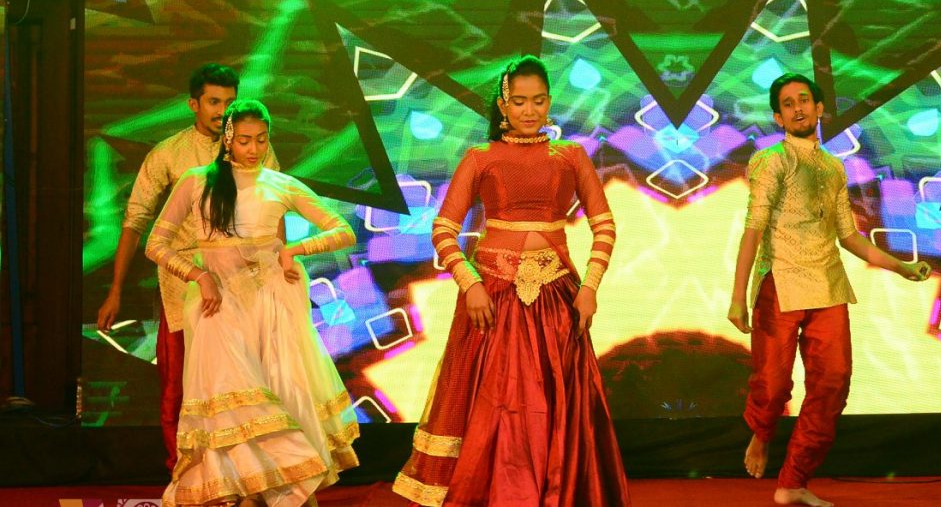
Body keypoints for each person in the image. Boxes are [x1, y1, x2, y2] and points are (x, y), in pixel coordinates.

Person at [394, 56, 629, 507]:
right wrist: (471, 284)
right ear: (503, 105)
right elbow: (443, 230)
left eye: (538, 101)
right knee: (495, 407)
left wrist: (590, 288)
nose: (529, 110)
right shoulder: (480, 158)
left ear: (549, 102)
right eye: (519, 101)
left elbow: (605, 225)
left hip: (557, 301)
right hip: (493, 301)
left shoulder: (571, 156)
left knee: (552, 406)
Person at [727, 73, 932, 507]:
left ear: (819, 109)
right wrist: (737, 296)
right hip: (781, 282)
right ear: (778, 117)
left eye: (804, 100)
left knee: (833, 383)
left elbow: (849, 236)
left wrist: (901, 267)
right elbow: (753, 229)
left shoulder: (834, 167)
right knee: (773, 383)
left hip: (828, 285)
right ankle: (762, 433)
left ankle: (793, 481)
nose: (797, 108)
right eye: (787, 104)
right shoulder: (771, 161)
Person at [146, 100, 358, 507]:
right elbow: (156, 244)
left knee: (280, 389)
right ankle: (246, 486)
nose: (254, 149)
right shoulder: (196, 181)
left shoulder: (279, 183)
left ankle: (273, 490)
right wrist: (199, 276)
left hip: (273, 300)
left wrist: (293, 249)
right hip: (218, 303)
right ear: (227, 139)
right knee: (234, 395)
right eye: (244, 140)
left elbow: (342, 230)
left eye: (261, 140)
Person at [95, 63, 279, 470]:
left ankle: (242, 474)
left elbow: (276, 207)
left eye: (230, 102)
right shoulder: (169, 153)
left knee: (245, 382)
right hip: (185, 284)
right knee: (178, 385)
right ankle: (184, 471)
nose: (223, 111)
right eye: (214, 102)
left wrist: (279, 268)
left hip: (242, 283)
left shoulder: (251, 147)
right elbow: (136, 221)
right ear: (193, 104)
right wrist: (116, 289)